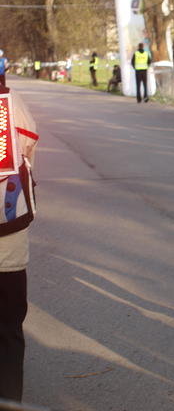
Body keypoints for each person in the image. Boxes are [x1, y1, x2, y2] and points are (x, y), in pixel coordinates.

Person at [0, 83, 38, 402]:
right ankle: (10, 399)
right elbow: (28, 144)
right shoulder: (9, 102)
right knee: (8, 329)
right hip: (7, 241)